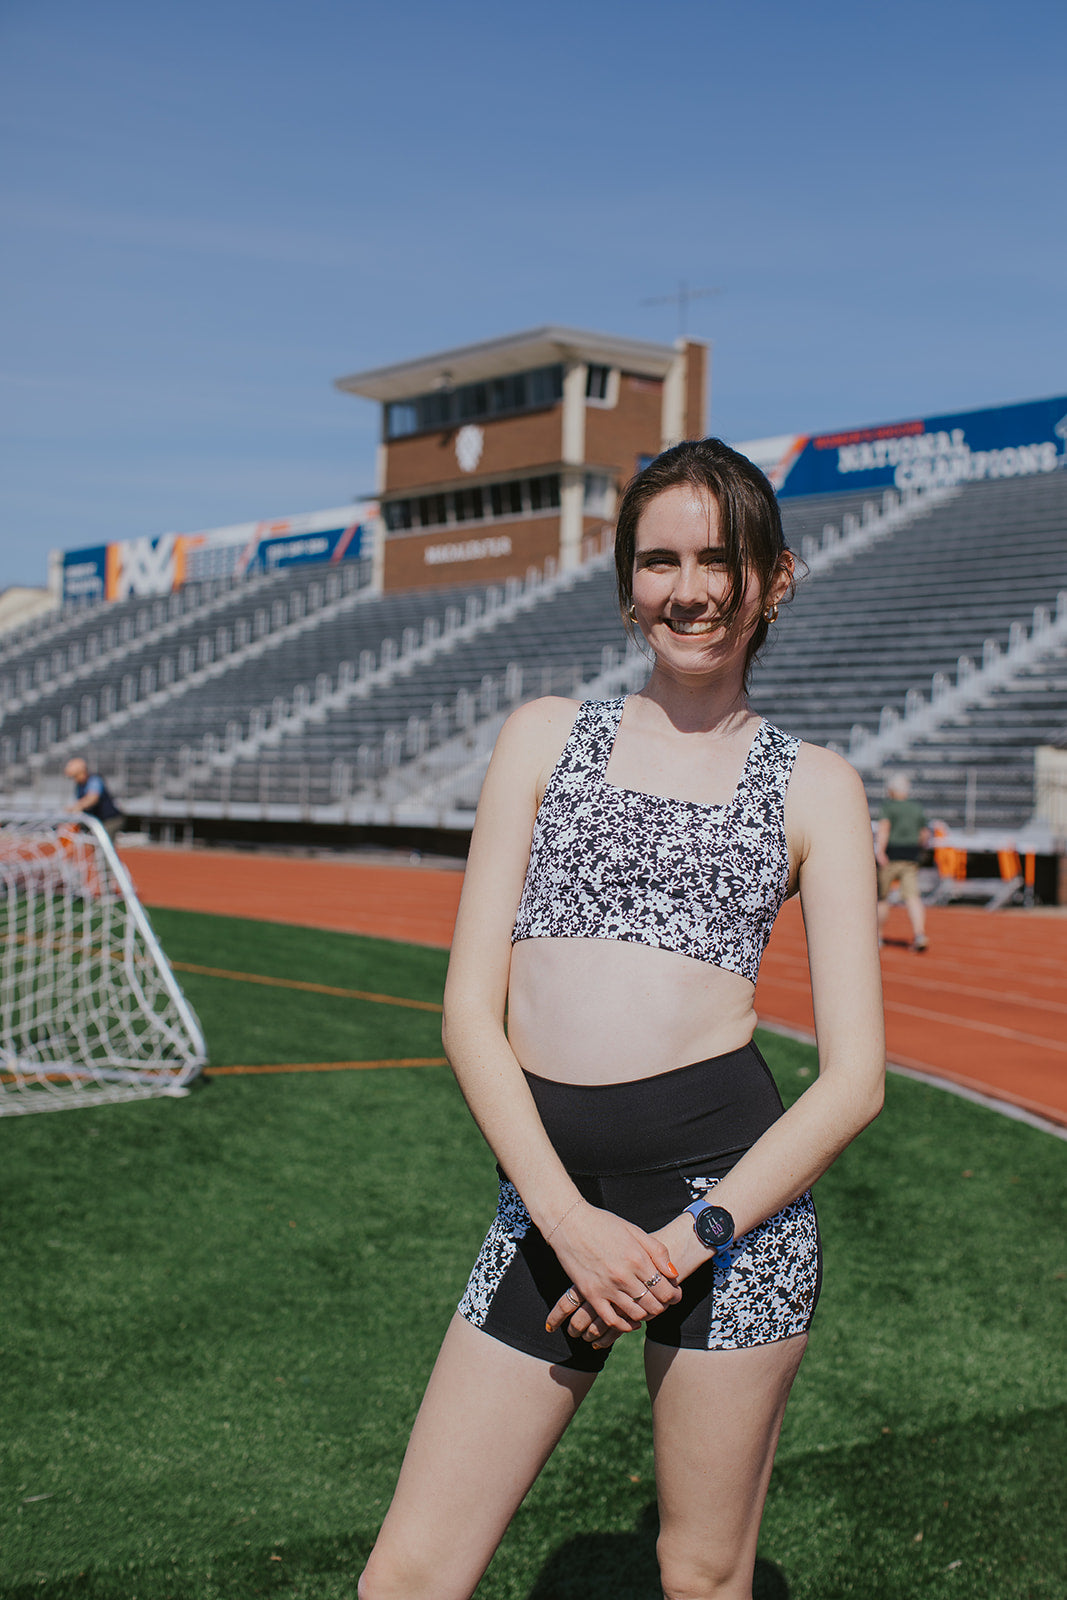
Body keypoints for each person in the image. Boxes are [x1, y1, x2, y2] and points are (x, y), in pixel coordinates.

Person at [359, 439, 885, 1600]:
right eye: (658, 561)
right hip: (550, 1210)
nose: (687, 590)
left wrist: (686, 1241)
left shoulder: (817, 787)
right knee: (408, 1575)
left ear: (775, 577)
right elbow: (466, 1012)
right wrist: (570, 1221)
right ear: (624, 578)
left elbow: (853, 1080)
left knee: (699, 1575)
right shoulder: (544, 735)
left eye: (718, 559)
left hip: (728, 1227)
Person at [875, 773, 930, 951]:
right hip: (911, 857)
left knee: (882, 898)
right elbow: (924, 834)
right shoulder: (916, 808)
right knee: (913, 897)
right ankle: (920, 933)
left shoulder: (889, 807)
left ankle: (878, 937)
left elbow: (884, 829)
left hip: (891, 856)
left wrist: (880, 851)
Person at [64, 757, 124, 841]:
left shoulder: (94, 780)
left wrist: (78, 807)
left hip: (109, 820)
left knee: (103, 845)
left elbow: (92, 798)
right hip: (97, 820)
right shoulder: (79, 785)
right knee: (96, 846)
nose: (74, 779)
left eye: (75, 776)